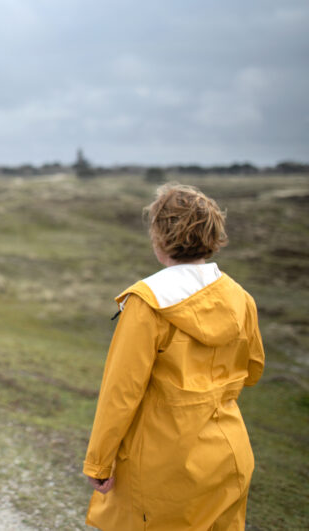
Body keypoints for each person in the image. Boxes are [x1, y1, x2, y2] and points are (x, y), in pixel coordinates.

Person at [83, 183, 265, 530]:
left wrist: (98, 462)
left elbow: (122, 392)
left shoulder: (148, 301)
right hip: (230, 453)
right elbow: (253, 369)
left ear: (160, 236)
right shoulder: (240, 297)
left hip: (163, 463)